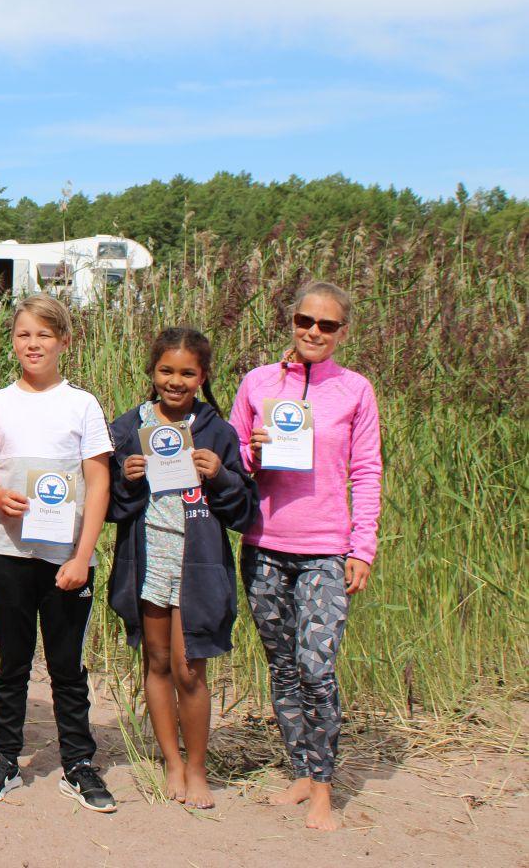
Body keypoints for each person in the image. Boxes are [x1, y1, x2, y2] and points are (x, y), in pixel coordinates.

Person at [229, 281, 381, 832]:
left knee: (318, 667)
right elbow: (229, 461)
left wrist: (361, 546)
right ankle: (299, 768)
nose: (313, 332)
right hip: (264, 545)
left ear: (343, 331)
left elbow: (366, 472)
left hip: (324, 550)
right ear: (291, 320)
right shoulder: (258, 382)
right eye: (304, 321)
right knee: (285, 667)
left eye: (327, 325)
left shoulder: (355, 390)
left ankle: (323, 788)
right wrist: (254, 451)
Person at [0, 295, 116, 812]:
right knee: (11, 661)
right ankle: (5, 756)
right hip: (8, 553)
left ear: (64, 342)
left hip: (66, 559)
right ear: (13, 341)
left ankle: (78, 762)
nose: (33, 344)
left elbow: (99, 484)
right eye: (23, 335)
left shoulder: (82, 404)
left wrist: (83, 555)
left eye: (44, 335)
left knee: (67, 664)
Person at [108, 327, 258, 809]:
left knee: (190, 668)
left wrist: (221, 476)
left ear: (202, 376)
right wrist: (128, 481)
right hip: (148, 557)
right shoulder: (129, 427)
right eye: (166, 371)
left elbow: (243, 513)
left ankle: (197, 768)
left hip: (198, 565)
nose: (175, 381)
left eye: (187, 373)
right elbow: (109, 506)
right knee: (156, 662)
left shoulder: (218, 432)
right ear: (152, 373)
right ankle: (170, 761)